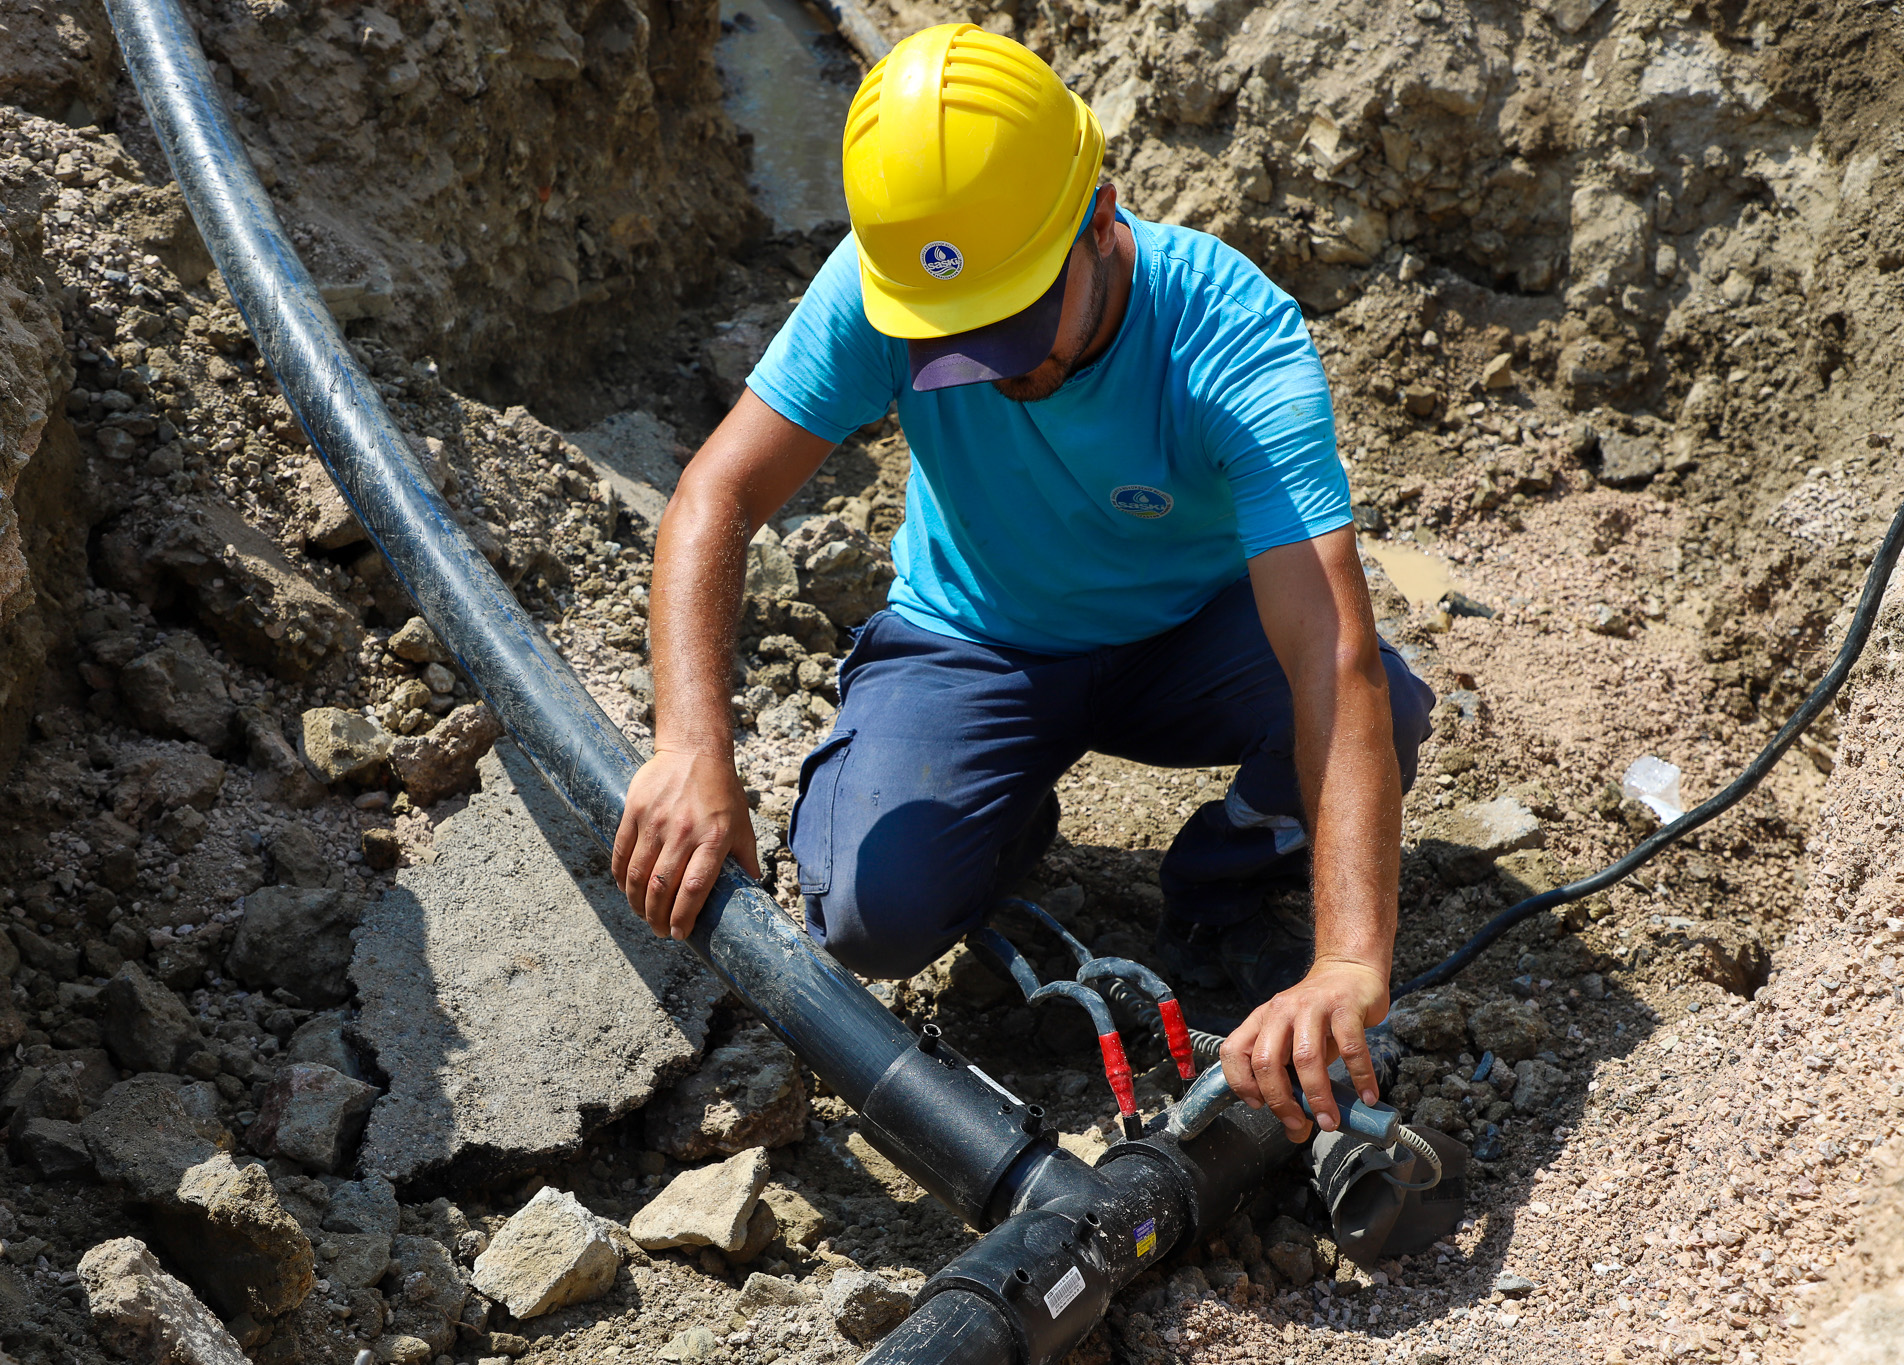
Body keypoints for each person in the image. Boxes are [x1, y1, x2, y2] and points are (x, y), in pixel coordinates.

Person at [610, 23, 1434, 1142]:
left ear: (1099, 217)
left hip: (1183, 639)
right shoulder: (888, 286)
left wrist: (1346, 960)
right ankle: (1000, 813)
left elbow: (1327, 655)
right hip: (973, 641)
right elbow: (716, 495)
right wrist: (689, 746)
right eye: (956, 336)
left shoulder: (1229, 337)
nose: (991, 363)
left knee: (1387, 703)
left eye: (1015, 321)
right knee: (871, 919)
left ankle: (1221, 884)